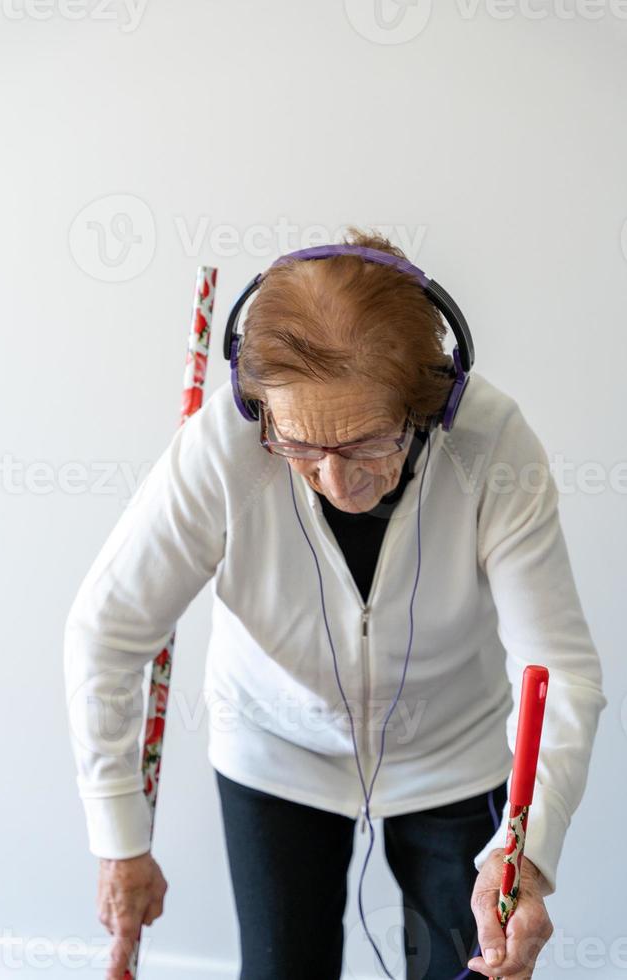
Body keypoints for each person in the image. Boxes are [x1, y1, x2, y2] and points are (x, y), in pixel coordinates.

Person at [64, 228, 607, 980]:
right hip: (273, 746)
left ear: (432, 404)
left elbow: (562, 669)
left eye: (365, 444)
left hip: (453, 750)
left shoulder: (492, 445)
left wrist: (530, 849)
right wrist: (119, 838)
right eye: (301, 448)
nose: (337, 483)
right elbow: (107, 631)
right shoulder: (225, 446)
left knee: (472, 969)